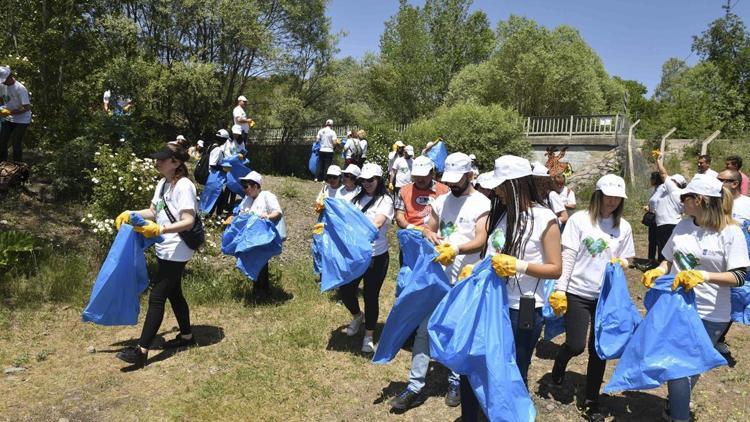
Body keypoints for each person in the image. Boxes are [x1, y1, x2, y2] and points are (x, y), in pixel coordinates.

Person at [456, 155, 562, 420]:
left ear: (516, 185)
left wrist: (519, 266)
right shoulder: (502, 215)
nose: (497, 191)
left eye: (502, 186)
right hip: (489, 305)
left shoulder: (544, 218)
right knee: (474, 364)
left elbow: (555, 267)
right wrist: (475, 269)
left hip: (521, 310)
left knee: (511, 373)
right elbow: (490, 254)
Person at [641, 174, 749, 422]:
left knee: (689, 367)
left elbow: (740, 276)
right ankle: (679, 416)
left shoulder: (730, 232)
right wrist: (658, 270)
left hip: (711, 314)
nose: (681, 200)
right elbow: (669, 259)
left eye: (685, 196)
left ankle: (675, 405)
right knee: (680, 368)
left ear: (699, 200)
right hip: (678, 309)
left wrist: (704, 275)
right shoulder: (683, 226)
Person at [548, 174, 635, 422]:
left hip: (606, 296)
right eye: (609, 196)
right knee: (576, 345)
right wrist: (560, 289)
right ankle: (560, 364)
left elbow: (628, 257)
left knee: (600, 350)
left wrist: (623, 263)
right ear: (598, 195)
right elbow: (568, 257)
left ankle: (591, 401)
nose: (613, 201)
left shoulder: (624, 227)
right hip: (577, 291)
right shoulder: (579, 221)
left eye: (618, 197)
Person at [113, 143, 198, 369]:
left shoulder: (184, 186)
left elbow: (188, 222)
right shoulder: (163, 184)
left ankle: (141, 350)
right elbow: (153, 211)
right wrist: (131, 214)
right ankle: (187, 336)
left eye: (162, 159)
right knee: (174, 293)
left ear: (176, 162)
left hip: (177, 248)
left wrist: (160, 230)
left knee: (157, 296)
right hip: (164, 246)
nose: (157, 162)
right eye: (158, 158)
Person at [423, 152, 492, 409]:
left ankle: (455, 380)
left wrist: (457, 250)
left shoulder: (481, 203)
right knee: (435, 325)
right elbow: (429, 226)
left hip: (466, 276)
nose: (452, 185)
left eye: (457, 180)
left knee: (460, 330)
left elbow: (481, 239)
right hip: (440, 274)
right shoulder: (441, 200)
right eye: (449, 180)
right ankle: (434, 370)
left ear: (469, 175)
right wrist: (429, 234)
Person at [339, 163, 394, 353]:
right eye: (363, 180)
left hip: (376, 256)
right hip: (355, 255)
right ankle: (357, 315)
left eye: (371, 180)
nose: (367, 183)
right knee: (346, 291)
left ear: (379, 180)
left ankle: (369, 335)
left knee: (371, 295)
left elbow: (377, 223)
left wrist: (353, 227)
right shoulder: (356, 199)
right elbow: (344, 220)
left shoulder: (385, 200)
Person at [714, 168, 750, 360]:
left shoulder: (747, 205)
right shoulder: (714, 202)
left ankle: (719, 337)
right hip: (715, 258)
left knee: (734, 300)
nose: (717, 182)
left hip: (741, 262)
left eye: (721, 180)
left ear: (734, 184)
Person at [235, 171, 283, 295]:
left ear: (256, 186)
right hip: (249, 238)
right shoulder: (248, 199)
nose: (244, 189)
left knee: (260, 262)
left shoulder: (267, 195)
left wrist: (266, 216)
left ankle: (262, 292)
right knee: (253, 261)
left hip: (262, 237)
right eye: (244, 186)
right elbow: (241, 214)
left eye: (247, 186)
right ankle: (257, 291)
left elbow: (277, 212)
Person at [654, 151, 688, 261]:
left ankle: (664, 271)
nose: (668, 181)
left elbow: (663, 174)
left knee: (664, 249)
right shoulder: (683, 194)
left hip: (667, 224)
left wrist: (658, 160)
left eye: (672, 180)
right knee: (668, 248)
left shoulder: (674, 190)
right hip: (672, 223)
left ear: (676, 183)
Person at [0, 66, 32, 163]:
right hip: (9, 118)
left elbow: (26, 108)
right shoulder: (2, 86)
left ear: (9, 77)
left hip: (22, 119)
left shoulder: (20, 89)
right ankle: (2, 164)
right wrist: (1, 108)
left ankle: (18, 167)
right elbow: (1, 98)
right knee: (2, 140)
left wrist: (10, 112)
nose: (2, 82)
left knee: (16, 142)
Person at [644, 171, 664, 262]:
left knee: (659, 241)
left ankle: (660, 261)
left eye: (651, 178)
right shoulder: (655, 189)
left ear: (655, 179)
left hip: (660, 219)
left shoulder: (662, 189)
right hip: (653, 219)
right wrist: (649, 208)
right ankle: (651, 259)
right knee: (652, 240)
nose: (649, 180)